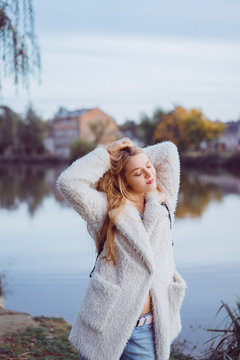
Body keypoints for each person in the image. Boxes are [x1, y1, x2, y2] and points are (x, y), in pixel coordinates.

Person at [56, 137, 187, 360]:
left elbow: (168, 151)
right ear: (123, 181)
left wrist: (129, 154)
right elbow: (69, 182)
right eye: (137, 173)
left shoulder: (163, 200)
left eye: (149, 166)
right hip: (106, 324)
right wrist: (108, 154)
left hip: (149, 328)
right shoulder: (105, 209)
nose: (149, 174)